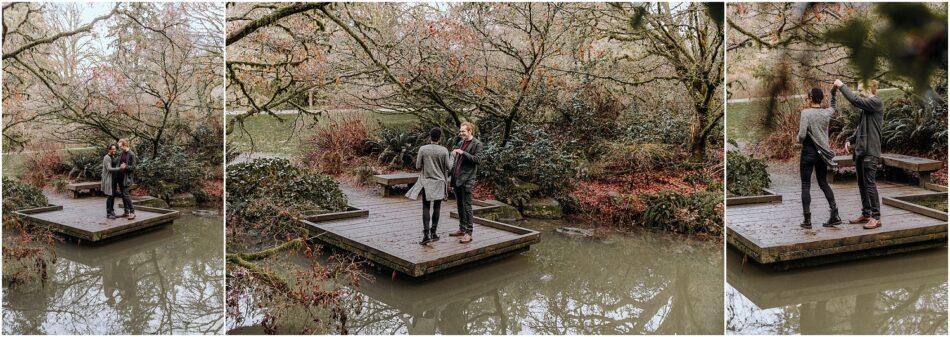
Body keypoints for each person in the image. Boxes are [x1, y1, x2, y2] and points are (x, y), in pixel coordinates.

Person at [834, 79, 884, 229]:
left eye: (861, 90)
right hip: (861, 152)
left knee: (869, 184)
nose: (859, 92)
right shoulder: (866, 108)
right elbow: (861, 126)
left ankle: (876, 217)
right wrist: (850, 139)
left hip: (871, 152)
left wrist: (841, 86)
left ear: (870, 89)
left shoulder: (876, 102)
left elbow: (854, 100)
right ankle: (866, 213)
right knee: (862, 184)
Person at [797, 87, 841, 229]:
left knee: (806, 185)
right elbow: (834, 107)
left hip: (808, 153)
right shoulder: (826, 112)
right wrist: (833, 92)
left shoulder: (806, 113)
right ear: (821, 99)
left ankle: (807, 220)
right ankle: (834, 214)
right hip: (822, 154)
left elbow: (802, 135)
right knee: (823, 183)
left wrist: (798, 139)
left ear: (810, 98)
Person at [406, 128, 453, 245]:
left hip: (426, 182)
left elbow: (417, 166)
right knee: (437, 207)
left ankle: (426, 235)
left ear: (429, 137)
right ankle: (434, 233)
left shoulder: (423, 149)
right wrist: (453, 156)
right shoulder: (444, 150)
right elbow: (449, 167)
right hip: (439, 182)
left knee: (426, 207)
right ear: (440, 138)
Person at [449, 122, 482, 244]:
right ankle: (462, 229)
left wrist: (463, 153)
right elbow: (457, 162)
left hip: (468, 180)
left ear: (470, 131)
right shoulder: (460, 142)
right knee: (459, 205)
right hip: (457, 179)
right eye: (460, 131)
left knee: (467, 206)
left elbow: (477, 160)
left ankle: (469, 233)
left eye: (463, 131)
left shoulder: (477, 144)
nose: (461, 133)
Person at [115, 138, 137, 219]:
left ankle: (132, 212)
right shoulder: (122, 153)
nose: (119, 146)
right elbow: (119, 164)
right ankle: (126, 212)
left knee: (126, 194)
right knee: (123, 195)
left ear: (124, 144)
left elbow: (133, 167)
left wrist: (126, 167)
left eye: (120, 144)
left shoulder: (131, 154)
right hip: (120, 176)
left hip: (127, 178)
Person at [102, 144, 121, 219]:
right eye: (113, 149)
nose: (114, 150)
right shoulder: (106, 157)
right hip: (109, 179)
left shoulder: (112, 156)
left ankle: (112, 212)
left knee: (113, 196)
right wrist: (120, 168)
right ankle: (108, 213)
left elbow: (114, 166)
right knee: (110, 196)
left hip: (114, 179)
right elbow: (109, 168)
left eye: (115, 149)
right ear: (109, 150)